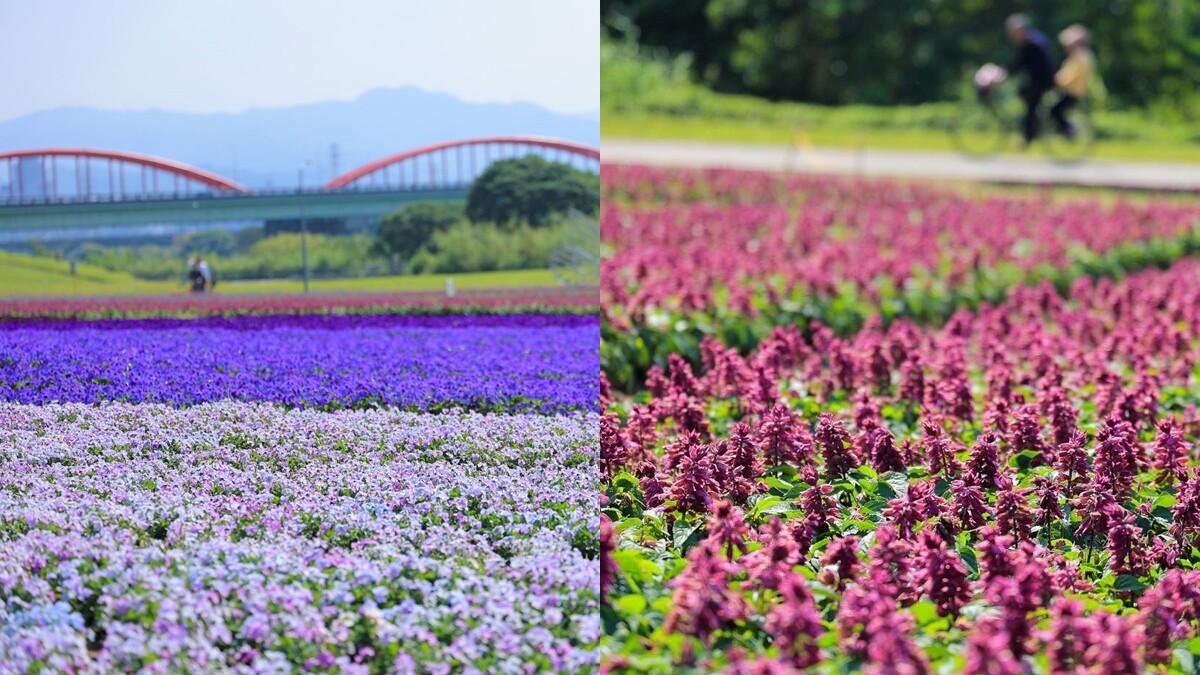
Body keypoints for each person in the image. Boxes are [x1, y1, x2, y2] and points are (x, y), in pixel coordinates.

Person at [1000, 13, 1057, 147]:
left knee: (1031, 107)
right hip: (1040, 79)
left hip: (1042, 81)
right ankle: (1034, 126)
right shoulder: (1034, 39)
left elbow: (1020, 63)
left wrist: (1005, 72)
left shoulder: (1031, 44)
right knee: (1023, 94)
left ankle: (1029, 136)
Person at [1050, 24, 1095, 139]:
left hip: (1072, 91)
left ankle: (1069, 129)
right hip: (1074, 91)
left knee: (1055, 111)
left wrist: (1058, 81)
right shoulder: (1084, 56)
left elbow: (1071, 76)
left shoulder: (1079, 58)